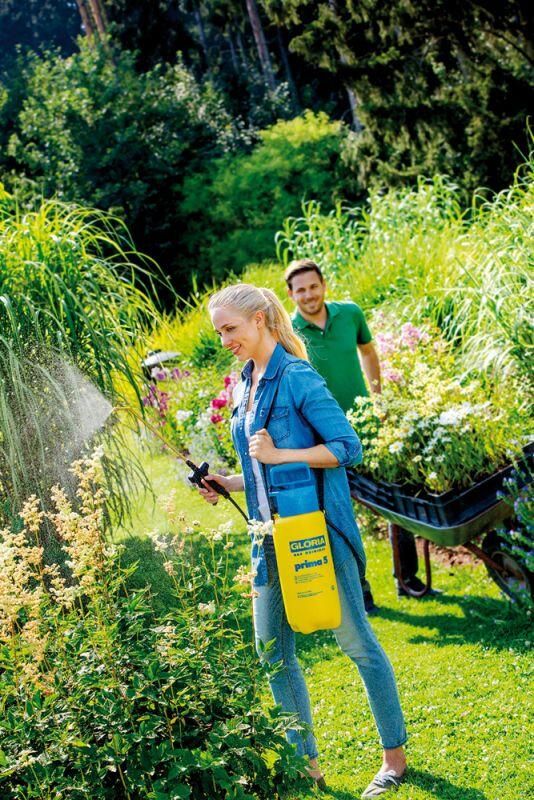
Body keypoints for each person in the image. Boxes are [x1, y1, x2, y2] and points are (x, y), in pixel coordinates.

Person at [197, 283, 407, 798]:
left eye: (231, 328)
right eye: (220, 331)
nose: (225, 340)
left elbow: (346, 447)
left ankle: (394, 760)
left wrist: (281, 457)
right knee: (271, 652)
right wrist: (228, 482)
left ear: (262, 320)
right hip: (266, 536)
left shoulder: (296, 376)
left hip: (315, 532)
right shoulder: (245, 385)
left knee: (356, 641)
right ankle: (307, 766)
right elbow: (260, 464)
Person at [285, 258, 430, 601]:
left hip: (365, 426)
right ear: (290, 294)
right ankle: (359, 591)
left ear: (323, 285)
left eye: (313, 286)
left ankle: (406, 579)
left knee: (396, 499)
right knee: (338, 515)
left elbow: (368, 351)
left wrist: (378, 400)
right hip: (323, 440)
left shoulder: (349, 313)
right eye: (300, 290)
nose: (309, 295)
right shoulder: (287, 334)